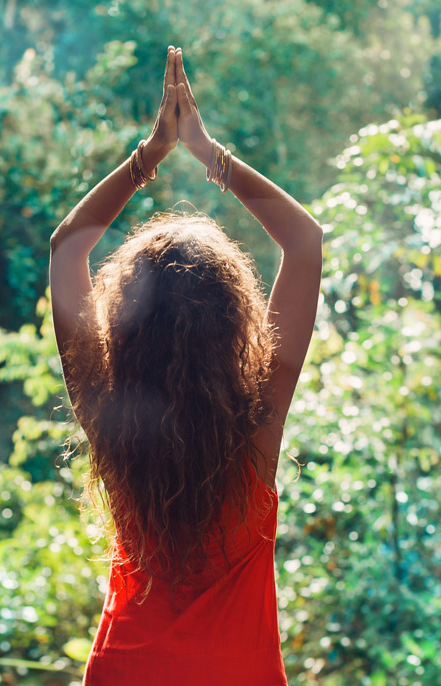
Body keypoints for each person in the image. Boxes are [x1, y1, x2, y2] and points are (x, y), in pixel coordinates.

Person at [49, 46, 322, 685]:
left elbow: (67, 248)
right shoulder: (257, 432)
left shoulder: (112, 425)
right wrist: (207, 153)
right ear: (232, 326)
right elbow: (305, 241)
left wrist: (149, 156)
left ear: (126, 329)